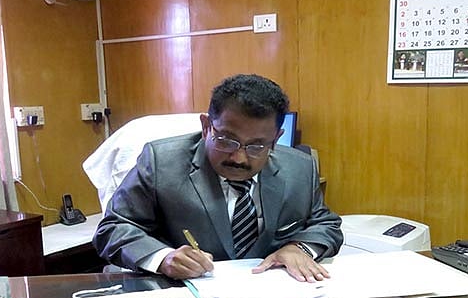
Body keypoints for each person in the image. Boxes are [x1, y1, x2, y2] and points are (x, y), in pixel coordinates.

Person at [93, 74, 343, 283]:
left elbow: (325, 224)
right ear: (206, 127)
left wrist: (298, 248)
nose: (239, 158)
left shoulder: (299, 168)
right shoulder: (162, 162)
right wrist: (163, 258)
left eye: (257, 146)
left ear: (276, 139)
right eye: (226, 140)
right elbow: (112, 228)